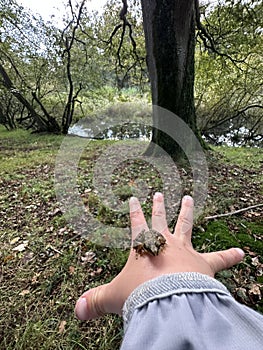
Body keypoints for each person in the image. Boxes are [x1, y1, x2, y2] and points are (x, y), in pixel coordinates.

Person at [75, 193, 263, 349]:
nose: (156, 253)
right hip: (147, 243)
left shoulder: (158, 245)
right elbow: (143, 245)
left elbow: (159, 243)